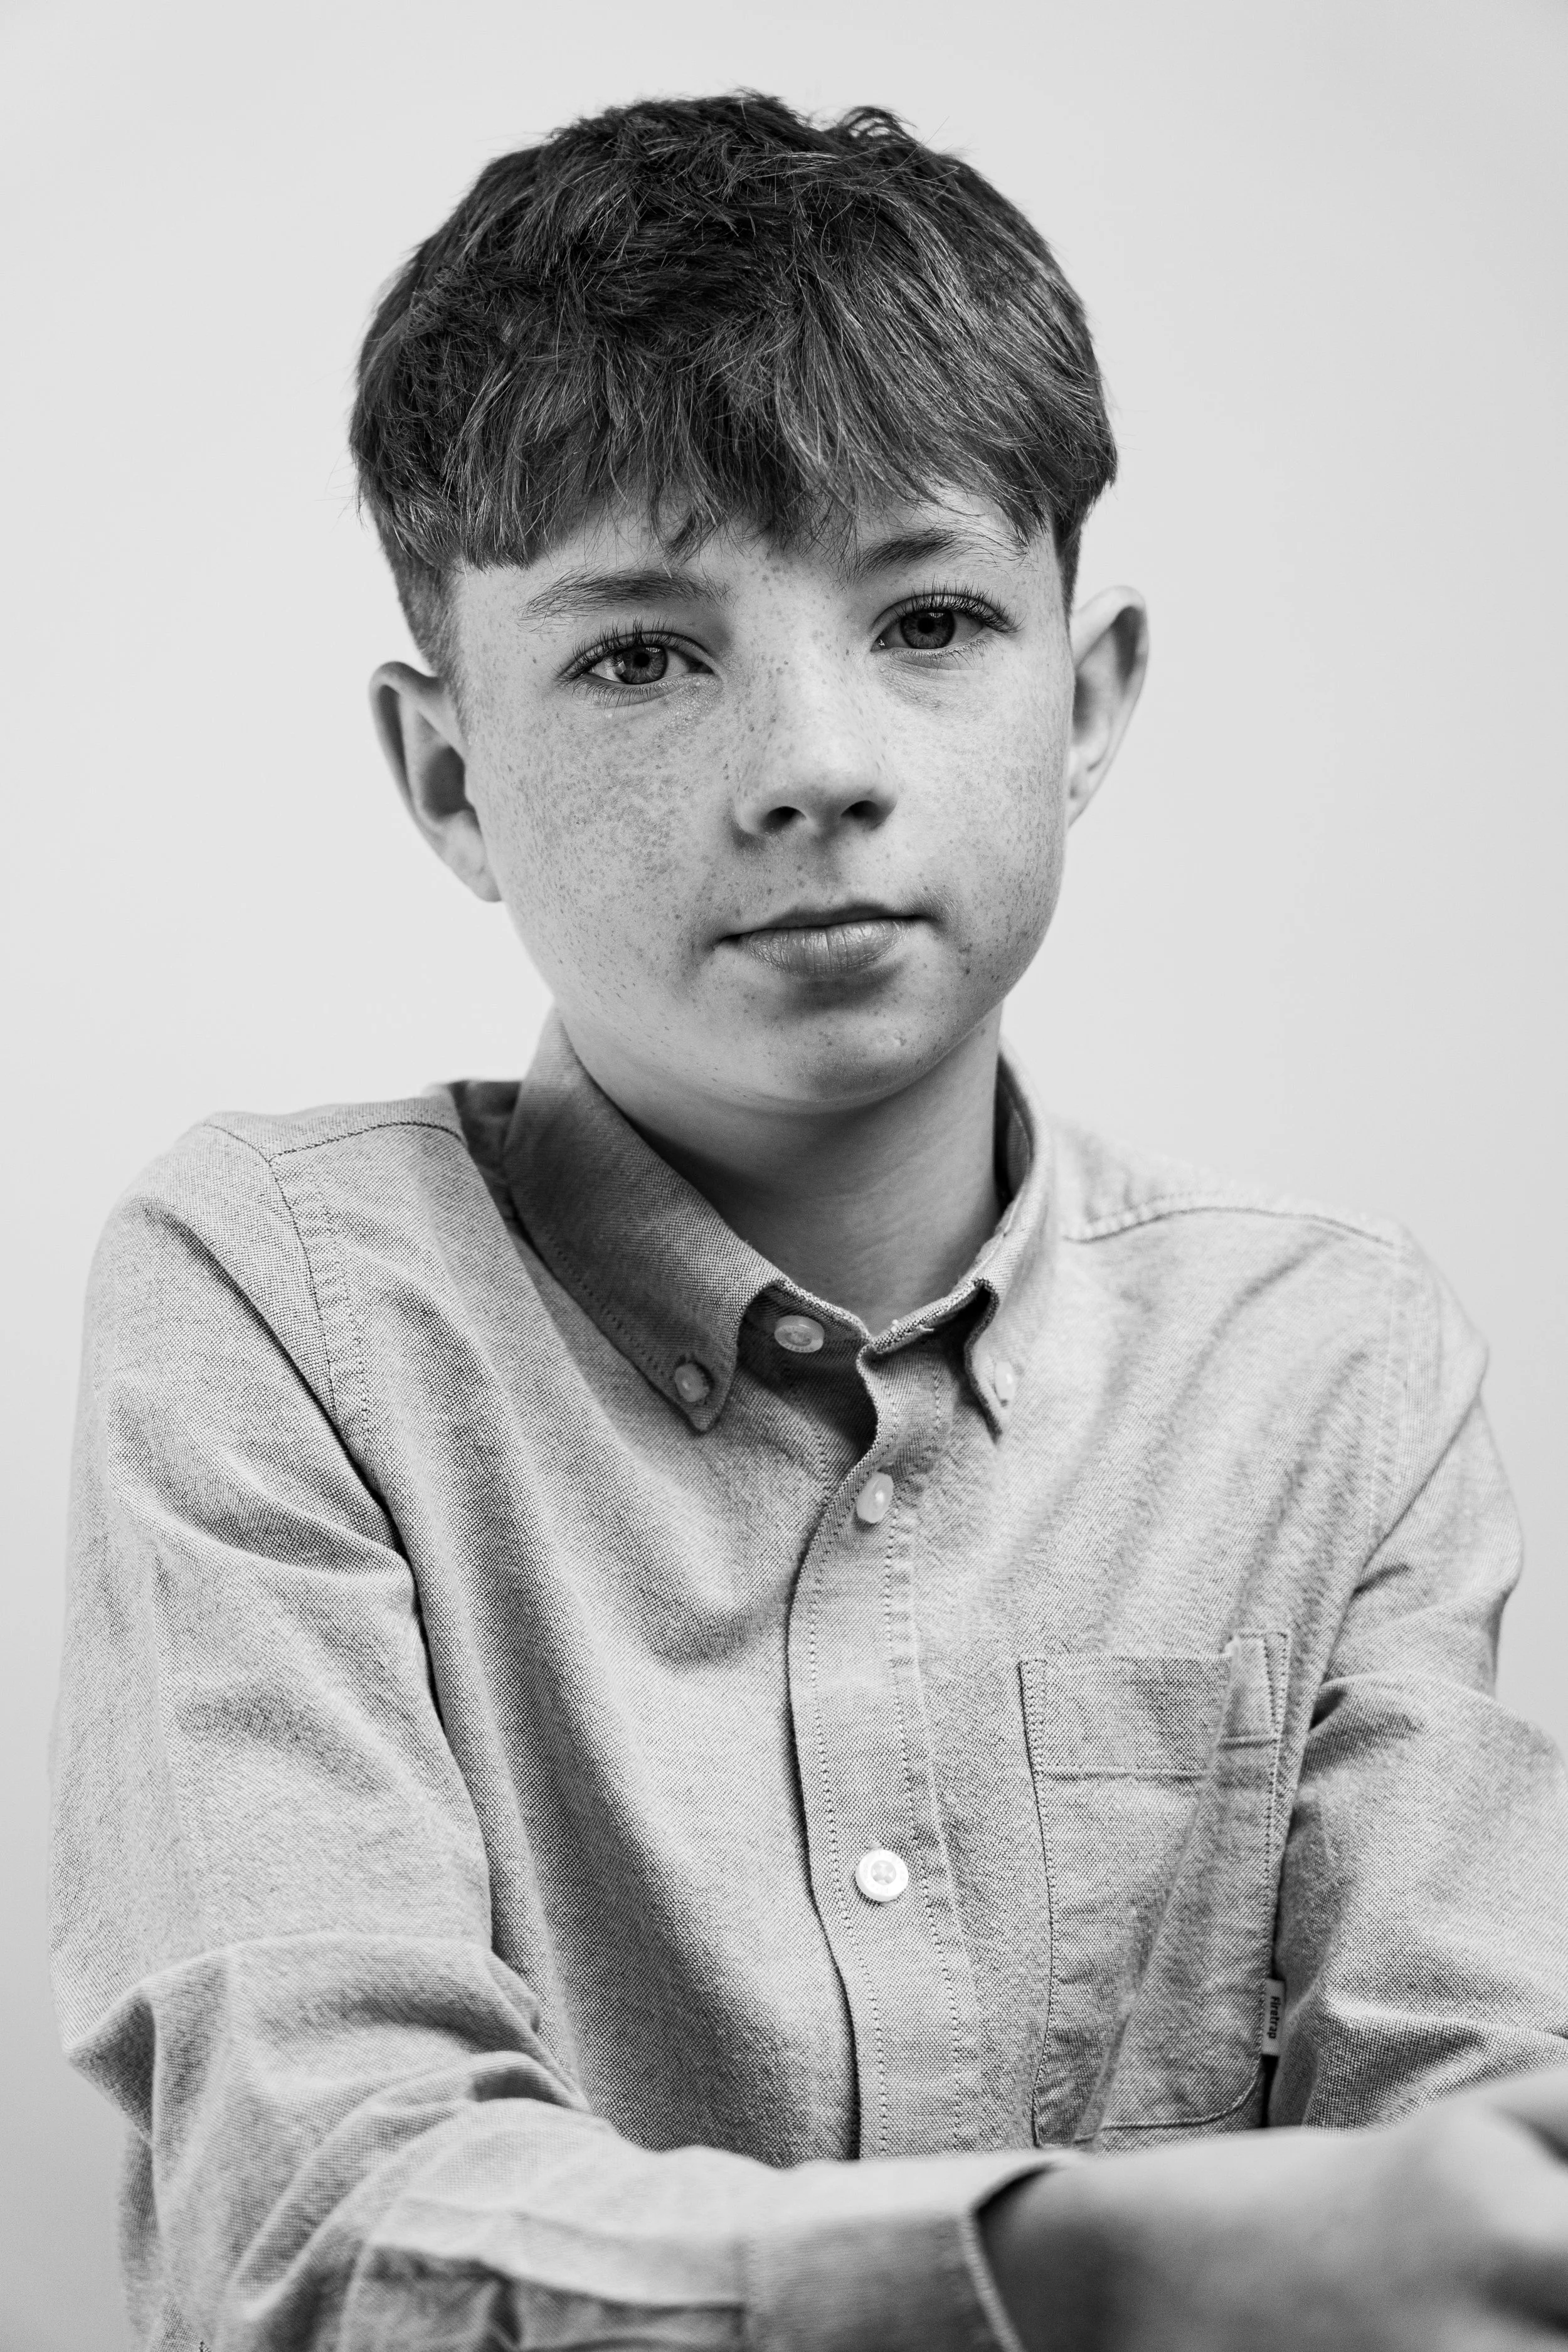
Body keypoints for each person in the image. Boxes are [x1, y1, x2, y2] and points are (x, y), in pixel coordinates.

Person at [50, 90, 1568, 2352]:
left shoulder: (1327, 1358)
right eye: (640, 654)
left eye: (930, 617)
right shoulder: (282, 1297)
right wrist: (1083, 2262)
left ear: (1085, 700)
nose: (815, 764)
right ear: (449, 774)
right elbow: (318, 2226)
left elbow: (1466, 2158)